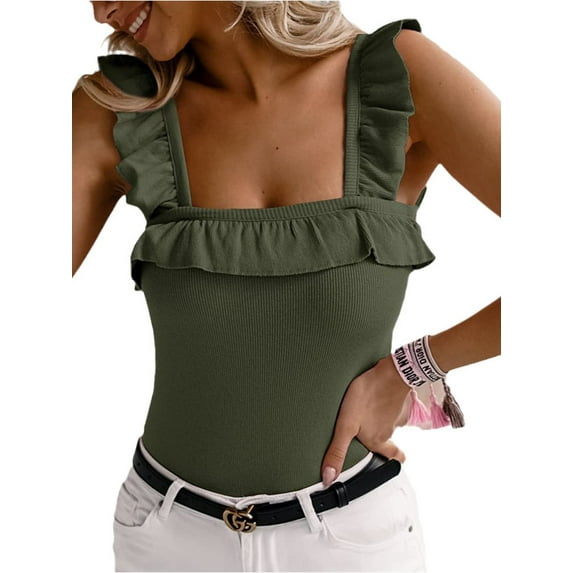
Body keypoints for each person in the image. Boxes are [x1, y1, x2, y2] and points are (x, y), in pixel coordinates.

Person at [72, 1, 501, 571]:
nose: (101, 10)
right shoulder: (119, 106)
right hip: (164, 536)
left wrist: (415, 366)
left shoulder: (397, 76)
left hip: (350, 542)